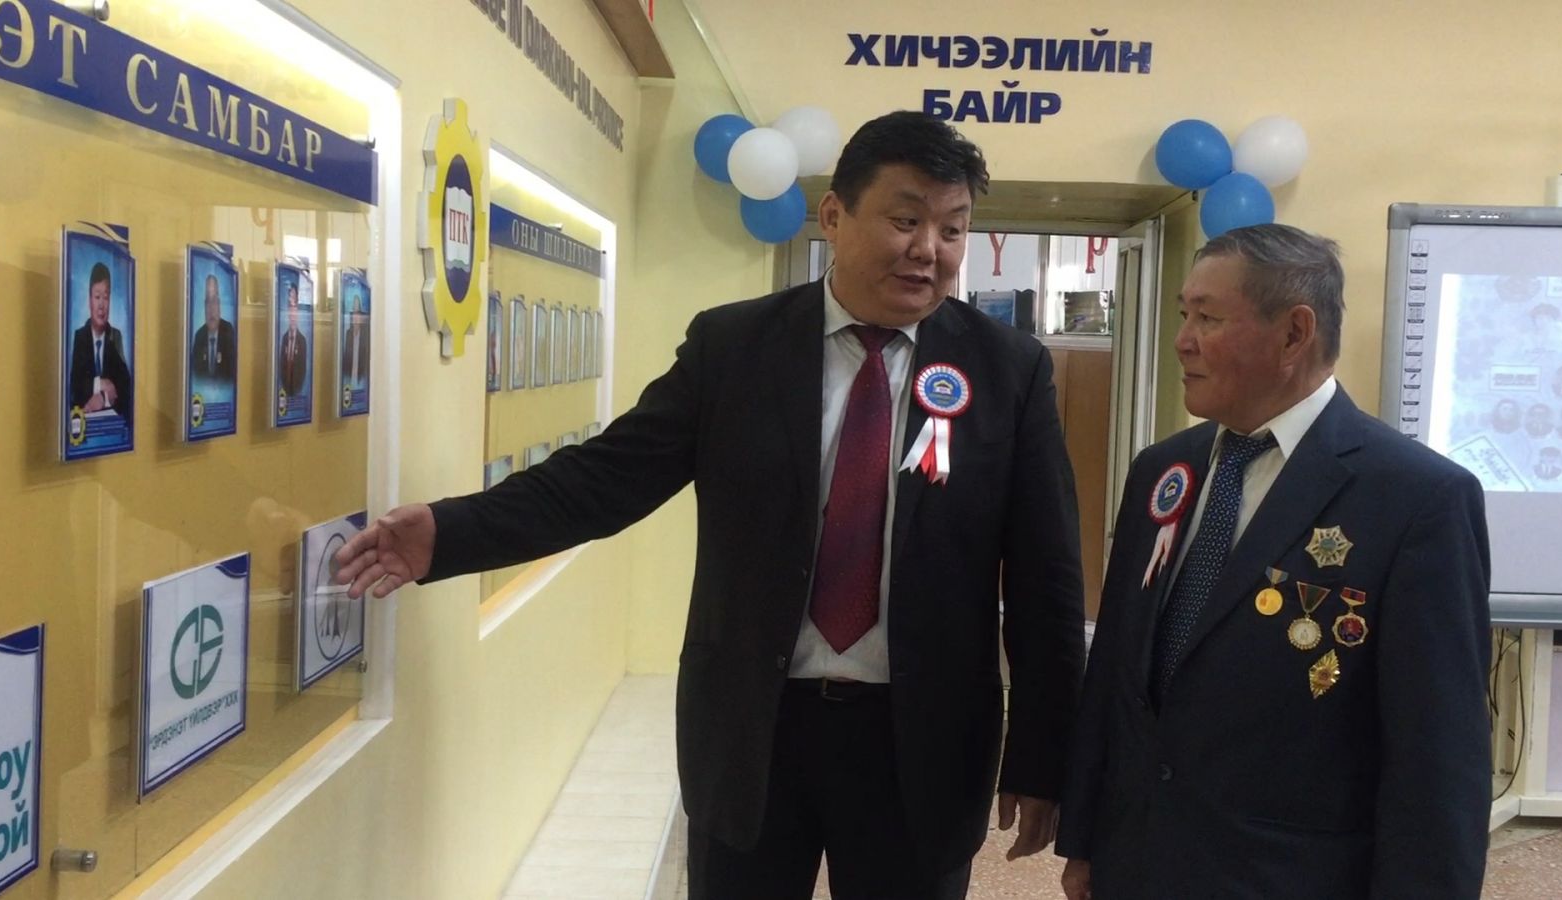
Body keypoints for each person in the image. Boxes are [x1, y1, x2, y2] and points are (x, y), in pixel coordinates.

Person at [334, 111, 1087, 899]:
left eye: (953, 229)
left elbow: (1047, 581)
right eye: (906, 220)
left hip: (923, 744)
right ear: (834, 215)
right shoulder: (735, 349)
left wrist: (1044, 756)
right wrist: (449, 533)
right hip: (754, 732)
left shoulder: (1007, 371)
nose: (929, 249)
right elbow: (604, 479)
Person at [1056, 225, 1491, 900]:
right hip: (1137, 864)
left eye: (1208, 318)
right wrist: (1086, 842)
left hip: (1289, 878)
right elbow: (1117, 667)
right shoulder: (1162, 471)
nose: (1183, 339)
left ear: (1294, 334)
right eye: (1184, 314)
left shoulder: (1415, 499)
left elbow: (1438, 757)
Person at [68, 261, 134, 426]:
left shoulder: (115, 337)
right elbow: (74, 386)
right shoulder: (78, 337)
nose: (101, 305)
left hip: (110, 426)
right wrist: (100, 384)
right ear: (89, 300)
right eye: (97, 297)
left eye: (106, 297)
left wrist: (103, 398)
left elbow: (125, 388)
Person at [191, 274, 237, 382]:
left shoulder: (228, 331)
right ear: (204, 306)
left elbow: (231, 375)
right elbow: (195, 376)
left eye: (215, 301)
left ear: (220, 305)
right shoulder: (199, 336)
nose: (211, 308)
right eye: (208, 301)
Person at [278, 281, 309, 400]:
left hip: (297, 394)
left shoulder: (302, 341)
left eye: (295, 306)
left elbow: (302, 371)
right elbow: (281, 368)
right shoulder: (284, 338)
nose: (292, 312)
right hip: (284, 392)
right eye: (290, 307)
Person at [341, 292, 370, 387]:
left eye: (357, 313)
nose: (355, 316)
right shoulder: (348, 334)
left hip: (361, 381)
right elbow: (346, 360)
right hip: (349, 380)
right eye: (353, 313)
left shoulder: (365, 335)